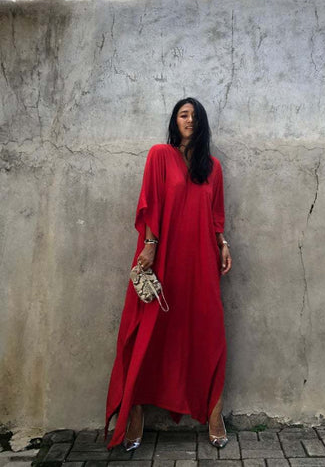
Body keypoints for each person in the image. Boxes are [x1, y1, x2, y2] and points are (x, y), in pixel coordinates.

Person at [104, 97, 232, 451]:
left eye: (194, 116)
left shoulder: (214, 167)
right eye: (183, 115)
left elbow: (216, 213)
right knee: (149, 331)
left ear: (202, 123)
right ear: (175, 121)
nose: (189, 120)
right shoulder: (159, 155)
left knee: (209, 331)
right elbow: (150, 201)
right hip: (163, 257)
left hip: (202, 259)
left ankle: (214, 412)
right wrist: (149, 243)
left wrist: (222, 243)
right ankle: (135, 411)